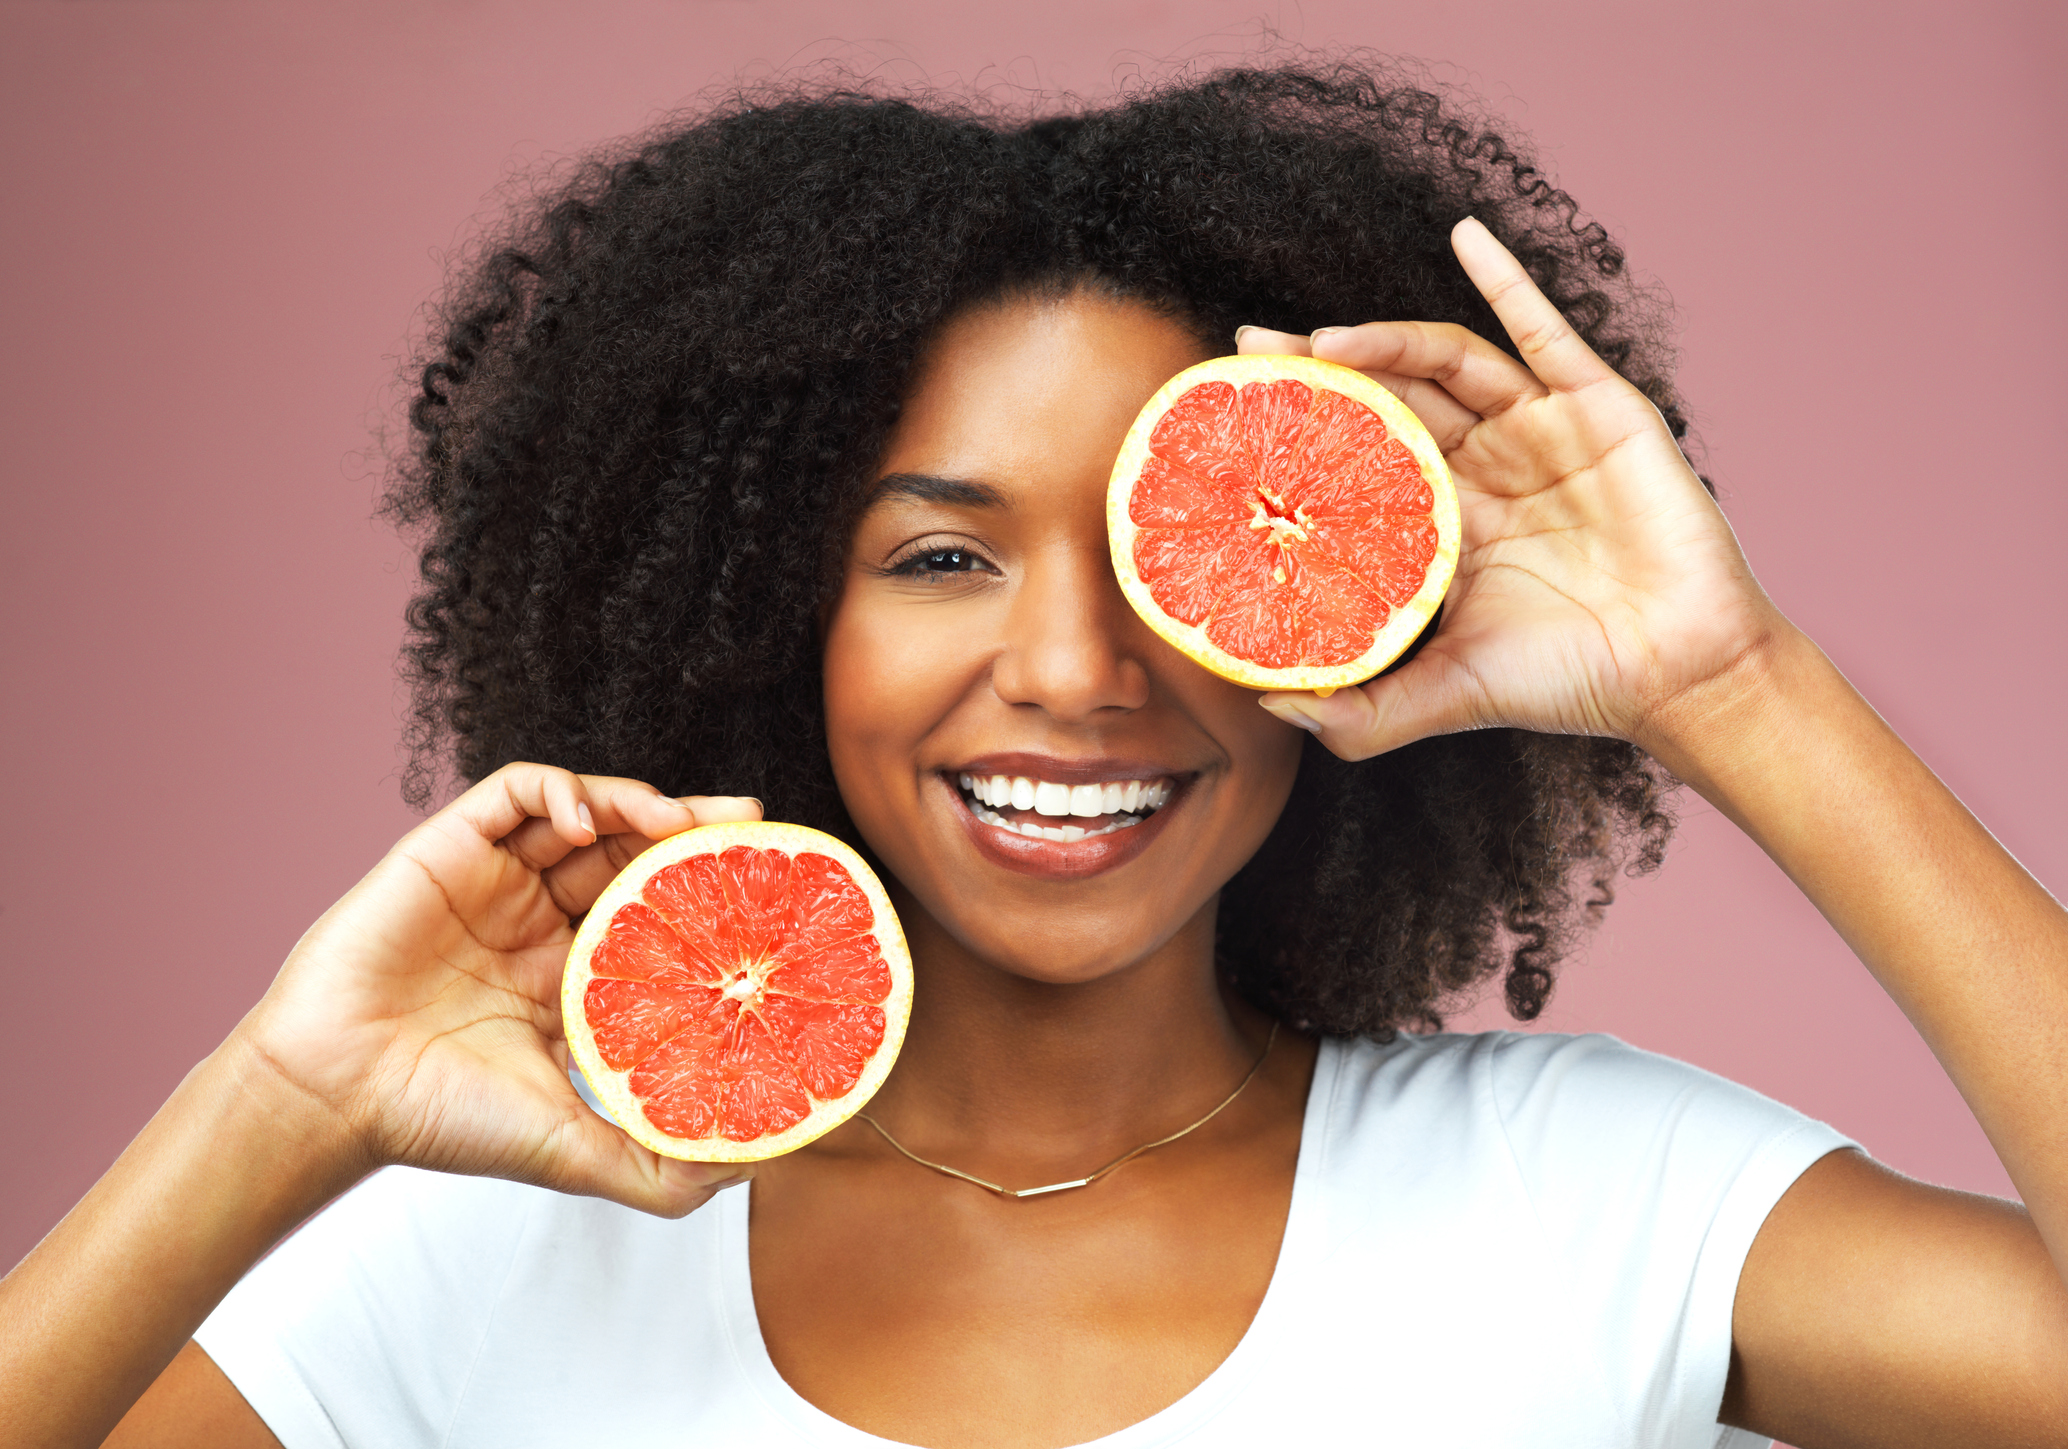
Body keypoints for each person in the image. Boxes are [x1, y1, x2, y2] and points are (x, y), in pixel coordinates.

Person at [4, 62, 2064, 1449]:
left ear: (1331, 605)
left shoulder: (1591, 1196)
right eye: (939, 550)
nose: (1073, 668)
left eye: (1169, 555)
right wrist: (271, 1105)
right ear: (756, 612)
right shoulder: (462, 1256)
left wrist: (1727, 682)